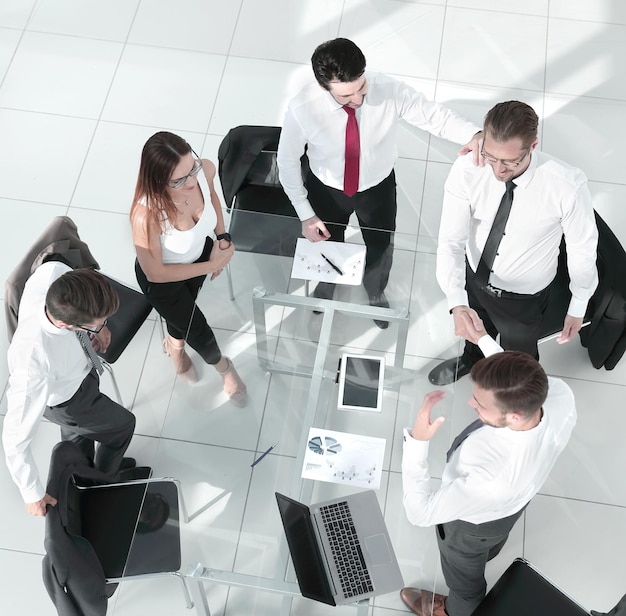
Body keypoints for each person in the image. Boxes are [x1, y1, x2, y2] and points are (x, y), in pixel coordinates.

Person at [277, 37, 483, 329]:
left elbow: (433, 116)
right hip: (327, 189)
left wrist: (473, 134)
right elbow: (286, 162)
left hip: (377, 187)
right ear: (324, 87)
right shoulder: (303, 108)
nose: (358, 99)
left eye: (361, 87)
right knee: (326, 240)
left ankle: (375, 290)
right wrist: (305, 213)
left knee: (380, 244)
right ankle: (327, 282)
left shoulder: (388, 89)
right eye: (346, 96)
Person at [400, 313, 577, 616]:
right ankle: (490, 550)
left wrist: (417, 442)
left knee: (464, 573)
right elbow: (523, 377)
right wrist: (483, 340)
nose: (471, 404)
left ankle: (456, 609)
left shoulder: (494, 478)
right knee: (493, 540)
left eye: (480, 404)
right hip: (510, 507)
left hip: (472, 527)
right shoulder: (558, 395)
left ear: (515, 416)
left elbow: (420, 513)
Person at [429, 100, 598, 386]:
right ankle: (472, 357)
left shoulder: (566, 185)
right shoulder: (469, 168)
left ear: (532, 146)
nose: (498, 169)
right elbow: (451, 240)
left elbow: (582, 248)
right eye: (492, 156)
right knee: (475, 329)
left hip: (524, 298)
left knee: (519, 357)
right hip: (474, 277)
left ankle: (511, 392)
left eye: (510, 161)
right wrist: (457, 303)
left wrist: (579, 303)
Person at [2, 263, 136, 517]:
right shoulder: (33, 364)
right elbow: (14, 439)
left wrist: (101, 327)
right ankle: (102, 483)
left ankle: (83, 479)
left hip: (81, 372)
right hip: (70, 401)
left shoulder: (53, 273)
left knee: (77, 441)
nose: (103, 325)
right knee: (122, 426)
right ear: (65, 324)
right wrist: (31, 493)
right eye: (96, 324)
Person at [130, 131, 247, 406]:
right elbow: (154, 274)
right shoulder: (146, 214)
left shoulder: (203, 169)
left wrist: (221, 237)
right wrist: (212, 264)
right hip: (164, 281)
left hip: (198, 259)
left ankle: (174, 345)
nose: (192, 181)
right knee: (197, 327)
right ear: (158, 180)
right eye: (179, 180)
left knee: (183, 315)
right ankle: (224, 368)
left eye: (191, 168)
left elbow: (214, 199)